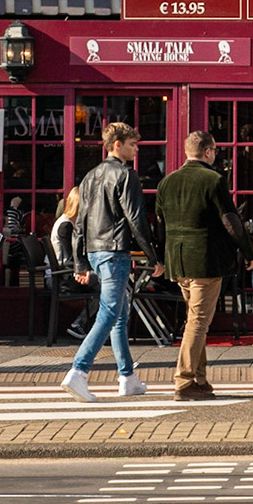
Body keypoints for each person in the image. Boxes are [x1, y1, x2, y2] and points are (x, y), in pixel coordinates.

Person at [59, 123, 163, 403]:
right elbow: (136, 219)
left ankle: (127, 377)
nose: (136, 149)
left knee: (118, 314)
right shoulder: (126, 175)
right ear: (117, 144)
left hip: (95, 250)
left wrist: (80, 262)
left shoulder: (89, 176)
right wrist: (152, 256)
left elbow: (79, 222)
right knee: (109, 312)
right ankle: (78, 371)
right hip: (115, 251)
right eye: (132, 144)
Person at [156, 131, 250, 401]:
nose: (216, 155)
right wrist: (247, 251)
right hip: (206, 261)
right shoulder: (214, 179)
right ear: (207, 151)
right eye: (215, 150)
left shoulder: (167, 182)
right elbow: (231, 220)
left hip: (178, 261)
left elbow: (160, 224)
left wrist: (161, 257)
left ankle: (200, 379)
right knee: (198, 322)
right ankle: (184, 381)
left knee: (195, 320)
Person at [51, 186, 96, 339]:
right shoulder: (66, 226)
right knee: (106, 285)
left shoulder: (70, 223)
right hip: (64, 276)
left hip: (68, 272)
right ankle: (80, 324)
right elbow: (73, 257)